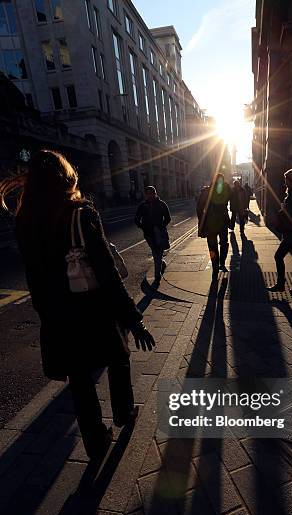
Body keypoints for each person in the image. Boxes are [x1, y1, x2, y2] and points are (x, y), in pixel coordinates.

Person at [0, 150, 155, 460]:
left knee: (80, 379)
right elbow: (107, 272)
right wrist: (133, 317)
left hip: (58, 314)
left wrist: (47, 316)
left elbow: (34, 276)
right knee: (118, 355)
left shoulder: (25, 221)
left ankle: (96, 441)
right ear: (66, 177)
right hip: (93, 308)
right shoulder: (81, 213)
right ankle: (124, 412)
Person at [196, 173, 232, 282]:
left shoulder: (206, 191)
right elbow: (231, 200)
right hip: (222, 221)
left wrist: (202, 220)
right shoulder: (226, 189)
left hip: (210, 223)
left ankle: (216, 268)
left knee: (212, 246)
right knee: (224, 242)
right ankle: (221, 263)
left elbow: (199, 208)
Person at [134, 185, 171, 285]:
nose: (150, 196)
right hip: (149, 234)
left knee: (157, 252)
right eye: (148, 194)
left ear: (155, 193)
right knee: (156, 252)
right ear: (145, 195)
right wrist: (143, 227)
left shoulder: (162, 204)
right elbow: (136, 219)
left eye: (152, 194)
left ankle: (157, 274)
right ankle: (160, 266)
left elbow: (168, 218)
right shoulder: (142, 206)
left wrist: (161, 226)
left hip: (159, 233)